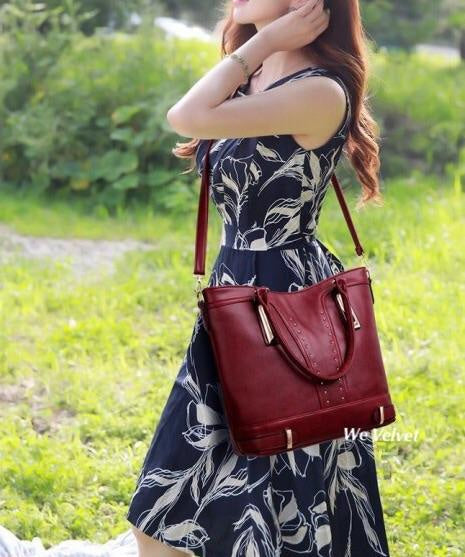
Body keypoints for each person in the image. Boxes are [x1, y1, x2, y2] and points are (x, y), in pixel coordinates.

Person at [126, 0, 389, 555]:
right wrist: (260, 49)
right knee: (166, 502)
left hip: (285, 297)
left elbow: (186, 116)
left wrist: (259, 43)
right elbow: (190, 116)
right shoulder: (259, 72)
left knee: (281, 486)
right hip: (236, 295)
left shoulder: (320, 90)